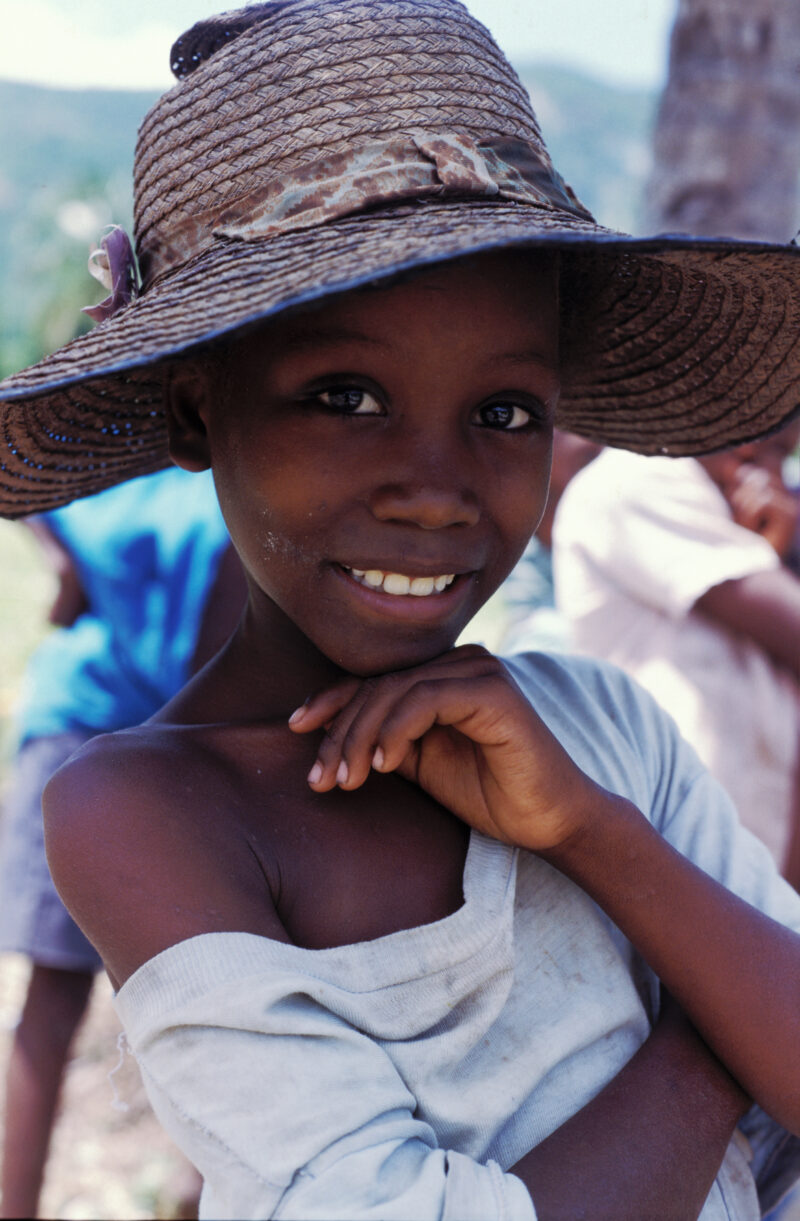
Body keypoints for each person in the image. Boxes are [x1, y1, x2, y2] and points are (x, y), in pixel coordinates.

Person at [0, 3, 799, 1218]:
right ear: (194, 409)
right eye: (344, 394)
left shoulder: (599, 734)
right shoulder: (152, 812)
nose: (435, 495)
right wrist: (718, 1042)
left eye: (504, 413)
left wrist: (590, 832)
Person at [0, 467, 244, 1218]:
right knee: (214, 997)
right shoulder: (236, 503)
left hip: (74, 727)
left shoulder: (94, 489)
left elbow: (65, 598)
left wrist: (76, 580)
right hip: (171, 739)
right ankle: (199, 1191)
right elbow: (224, 665)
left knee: (48, 1007)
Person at [553, 420, 800, 885]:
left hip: (746, 853)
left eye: (782, 453)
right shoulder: (638, 480)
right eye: (756, 434)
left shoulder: (736, 507)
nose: (760, 464)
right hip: (676, 846)